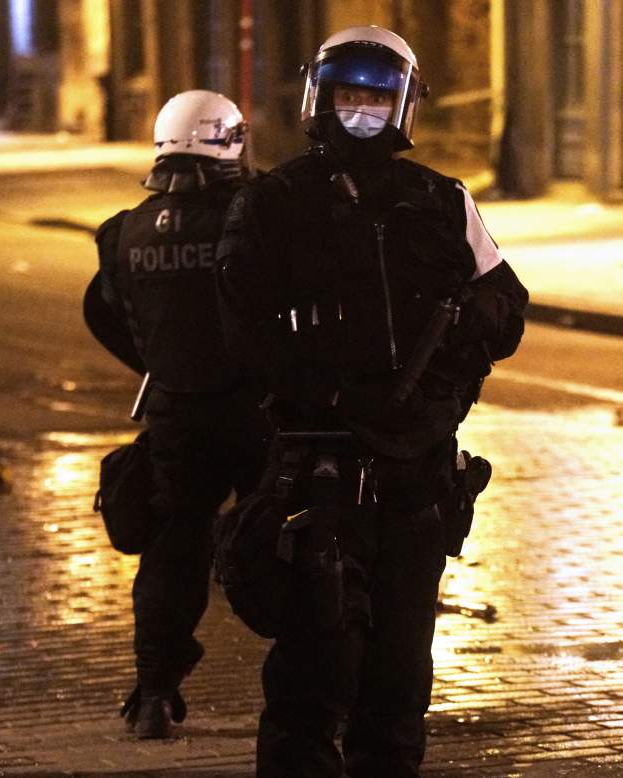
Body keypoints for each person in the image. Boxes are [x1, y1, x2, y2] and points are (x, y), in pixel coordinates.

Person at [215, 25, 528, 776]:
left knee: (397, 685)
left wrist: (450, 365)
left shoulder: (441, 200)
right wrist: (329, 393)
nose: (361, 110)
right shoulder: (271, 204)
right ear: (320, 99)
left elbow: (506, 306)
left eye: (375, 97)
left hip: (416, 482)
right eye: (348, 95)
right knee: (312, 680)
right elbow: (240, 329)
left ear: (403, 106)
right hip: (319, 476)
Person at [91, 90, 270, 738]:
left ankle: (154, 692)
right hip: (258, 412)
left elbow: (111, 315)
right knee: (288, 541)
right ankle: (306, 689)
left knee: (172, 550)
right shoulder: (256, 218)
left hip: (176, 414)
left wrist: (160, 366)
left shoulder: (126, 231)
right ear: (229, 142)